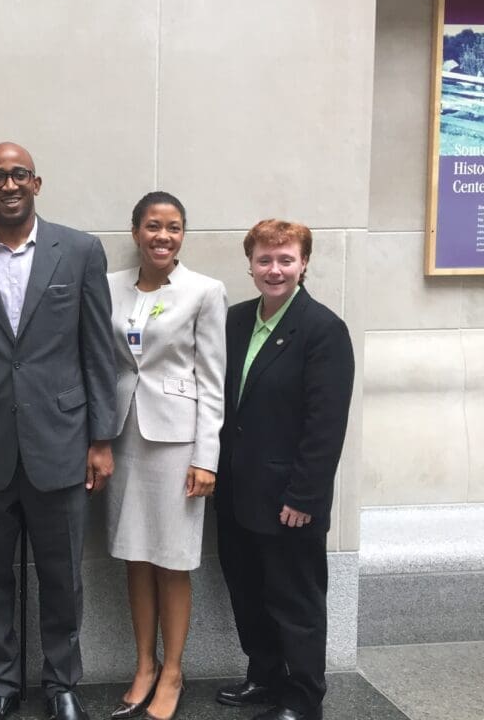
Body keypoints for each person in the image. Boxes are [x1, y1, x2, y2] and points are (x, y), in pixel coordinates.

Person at [0, 142, 117, 720]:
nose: (8, 184)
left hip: (61, 442)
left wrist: (102, 438)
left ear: (36, 183)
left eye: (18, 175)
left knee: (63, 575)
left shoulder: (80, 251)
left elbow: (98, 352)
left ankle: (62, 684)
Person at [214, 220, 354, 720]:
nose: (274, 270)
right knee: (248, 592)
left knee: (295, 600)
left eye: (286, 259)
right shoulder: (234, 321)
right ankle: (264, 677)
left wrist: (304, 497)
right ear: (250, 264)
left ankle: (302, 698)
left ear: (304, 264)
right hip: (235, 491)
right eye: (265, 260)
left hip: (289, 499)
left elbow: (326, 425)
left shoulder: (323, 330)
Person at [105, 192, 226, 720]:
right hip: (121, 436)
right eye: (153, 226)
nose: (163, 236)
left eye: (174, 228)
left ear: (183, 235)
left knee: (173, 562)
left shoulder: (204, 291)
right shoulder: (109, 287)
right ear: (135, 231)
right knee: (135, 555)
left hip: (177, 443)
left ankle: (174, 671)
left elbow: (213, 380)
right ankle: (144, 665)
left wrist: (208, 456)